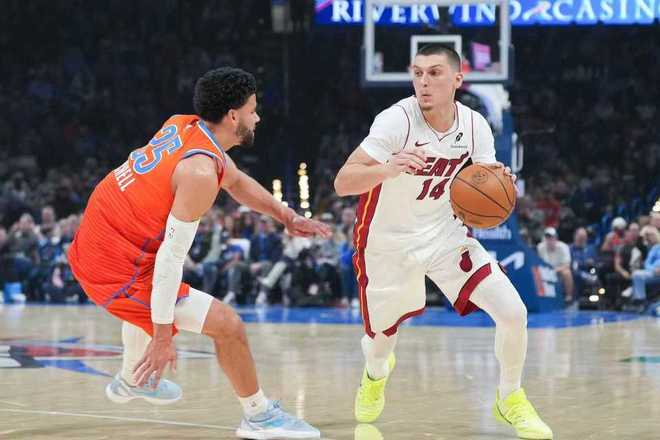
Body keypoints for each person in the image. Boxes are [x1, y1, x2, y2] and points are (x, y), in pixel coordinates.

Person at [68, 67, 330, 439]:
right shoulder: (199, 174)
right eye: (253, 109)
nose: (258, 117)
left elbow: (236, 181)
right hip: (112, 268)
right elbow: (169, 261)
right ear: (233, 116)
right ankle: (258, 417)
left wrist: (287, 216)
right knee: (228, 326)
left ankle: (131, 380)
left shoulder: (183, 125)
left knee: (146, 304)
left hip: (98, 240)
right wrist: (162, 339)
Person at [334, 44, 552, 439]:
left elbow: (486, 180)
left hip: (445, 235)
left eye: (434, 73)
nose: (423, 82)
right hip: (388, 243)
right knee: (380, 344)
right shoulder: (396, 121)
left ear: (457, 79)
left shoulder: (474, 125)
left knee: (513, 312)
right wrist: (387, 168)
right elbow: (343, 181)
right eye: (417, 73)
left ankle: (510, 397)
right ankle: (375, 375)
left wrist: (501, 182)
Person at [537, 227, 574, 302]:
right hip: (545, 271)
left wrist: (555, 270)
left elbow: (567, 265)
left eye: (551, 237)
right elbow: (538, 263)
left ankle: (568, 297)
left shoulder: (563, 247)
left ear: (556, 238)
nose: (549, 240)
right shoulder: (540, 247)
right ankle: (539, 298)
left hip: (559, 271)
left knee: (567, 273)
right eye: (547, 237)